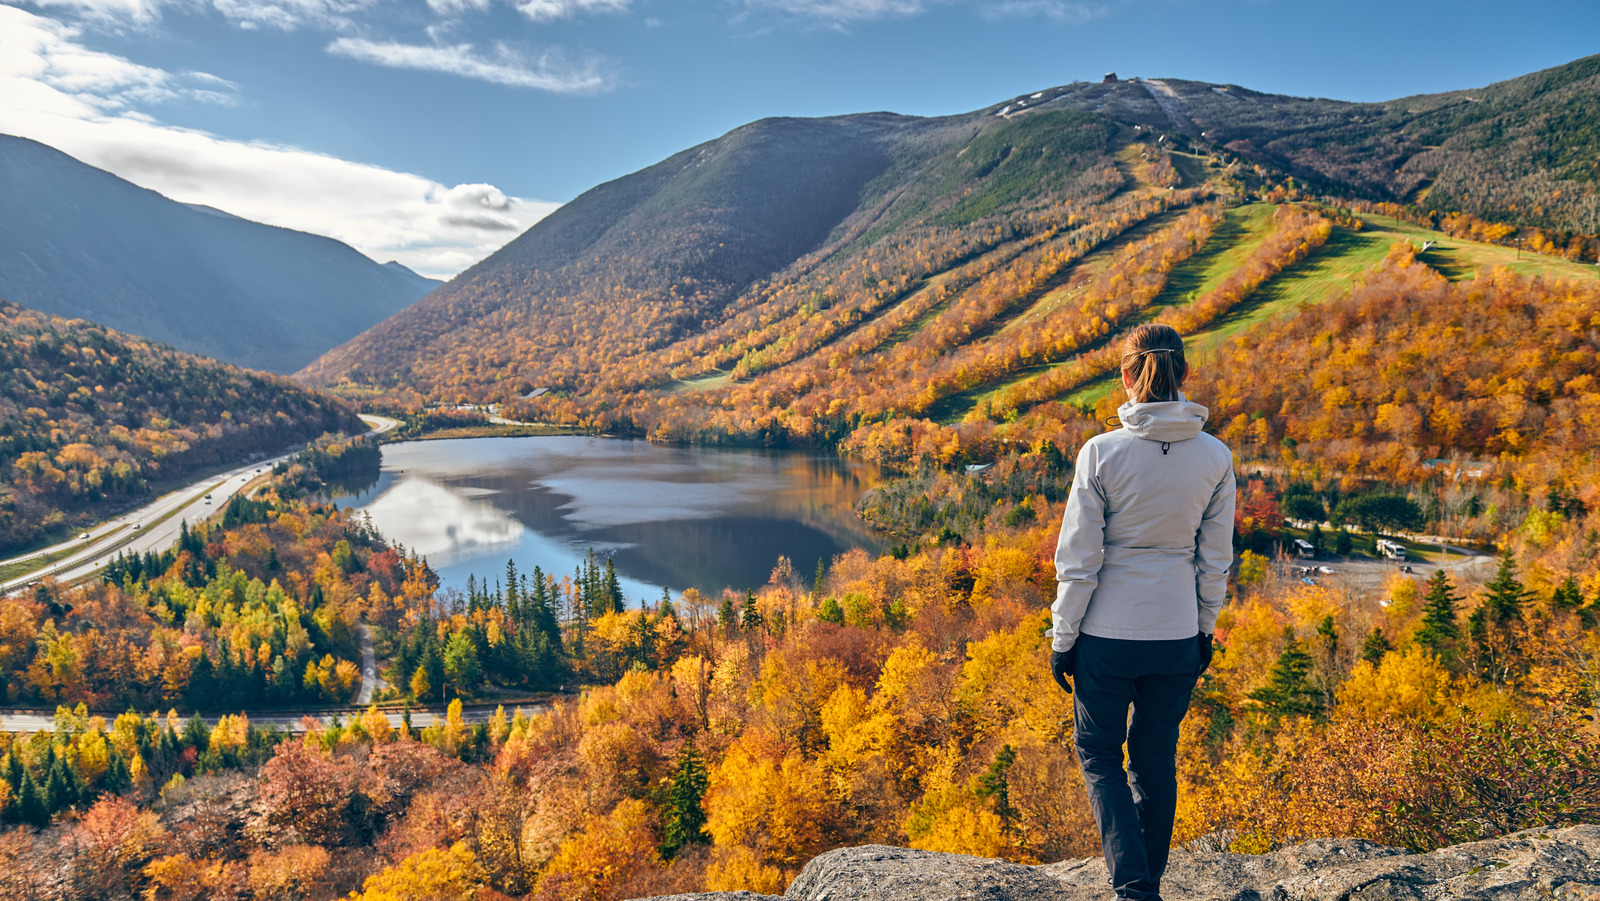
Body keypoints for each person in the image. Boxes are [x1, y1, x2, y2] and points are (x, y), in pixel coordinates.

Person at [1049, 322, 1235, 901]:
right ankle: (1145, 885)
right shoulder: (1214, 456)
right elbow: (1215, 561)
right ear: (1184, 373)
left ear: (1127, 377)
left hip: (1106, 634)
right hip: (1177, 631)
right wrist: (1204, 629)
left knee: (1099, 753)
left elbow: (1079, 562)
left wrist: (1064, 637)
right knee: (1155, 758)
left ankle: (1133, 886)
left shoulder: (1101, 454)